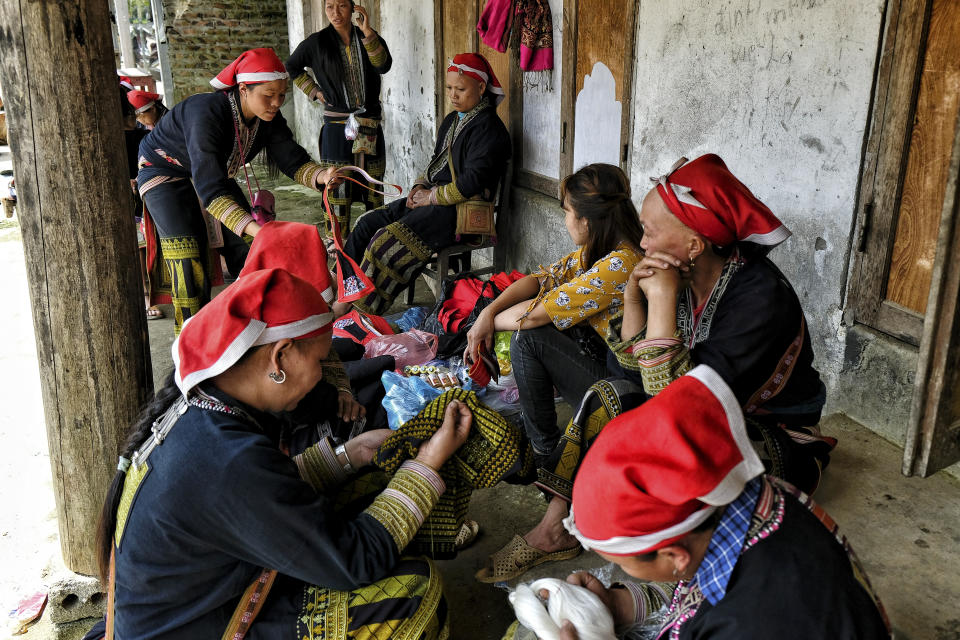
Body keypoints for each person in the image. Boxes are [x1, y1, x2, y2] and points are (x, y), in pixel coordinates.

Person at [499, 153, 836, 583]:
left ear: (694, 245)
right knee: (612, 393)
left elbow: (675, 406)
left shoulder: (759, 299)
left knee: (623, 411)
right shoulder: (689, 272)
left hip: (771, 442)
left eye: (652, 232)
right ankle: (559, 519)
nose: (642, 242)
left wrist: (657, 299)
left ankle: (577, 530)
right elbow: (634, 370)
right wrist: (634, 299)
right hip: (701, 414)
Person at [92, 264, 473, 639]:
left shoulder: (205, 408)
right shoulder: (227, 457)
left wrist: (348, 454)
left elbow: (260, 496)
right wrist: (426, 464)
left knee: (366, 481)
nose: (324, 375)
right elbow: (357, 561)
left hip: (197, 597)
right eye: (320, 361)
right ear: (281, 357)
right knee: (413, 594)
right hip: (202, 625)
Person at [538, 364, 890, 640]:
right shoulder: (759, 501)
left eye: (625, 565)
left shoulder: (752, 623)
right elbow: (694, 590)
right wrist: (617, 606)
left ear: (676, 556)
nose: (624, 571)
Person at [136, 47, 338, 333]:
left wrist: (322, 176)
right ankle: (192, 337)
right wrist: (261, 231)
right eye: (268, 95)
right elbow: (211, 189)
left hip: (213, 173)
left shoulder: (268, 118)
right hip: (164, 171)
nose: (276, 103)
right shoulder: (205, 113)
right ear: (243, 89)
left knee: (247, 247)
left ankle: (255, 324)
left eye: (282, 95)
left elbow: (291, 159)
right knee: (186, 254)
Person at [337, 52, 511, 316]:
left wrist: (430, 197)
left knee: (386, 241)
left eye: (460, 89)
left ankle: (362, 312)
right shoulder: (453, 120)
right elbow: (435, 163)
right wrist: (418, 189)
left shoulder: (490, 129)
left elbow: (472, 182)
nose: (453, 95)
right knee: (366, 224)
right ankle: (343, 293)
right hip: (434, 203)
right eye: (450, 88)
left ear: (481, 88)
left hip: (459, 211)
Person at [286, 0, 392, 232]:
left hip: (369, 127)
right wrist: (315, 92)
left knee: (374, 191)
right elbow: (292, 66)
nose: (335, 13)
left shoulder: (368, 37)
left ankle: (373, 247)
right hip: (336, 128)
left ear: (353, 7)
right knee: (337, 189)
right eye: (330, 6)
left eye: (342, 5)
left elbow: (383, 66)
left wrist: (367, 32)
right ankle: (339, 254)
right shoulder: (316, 42)